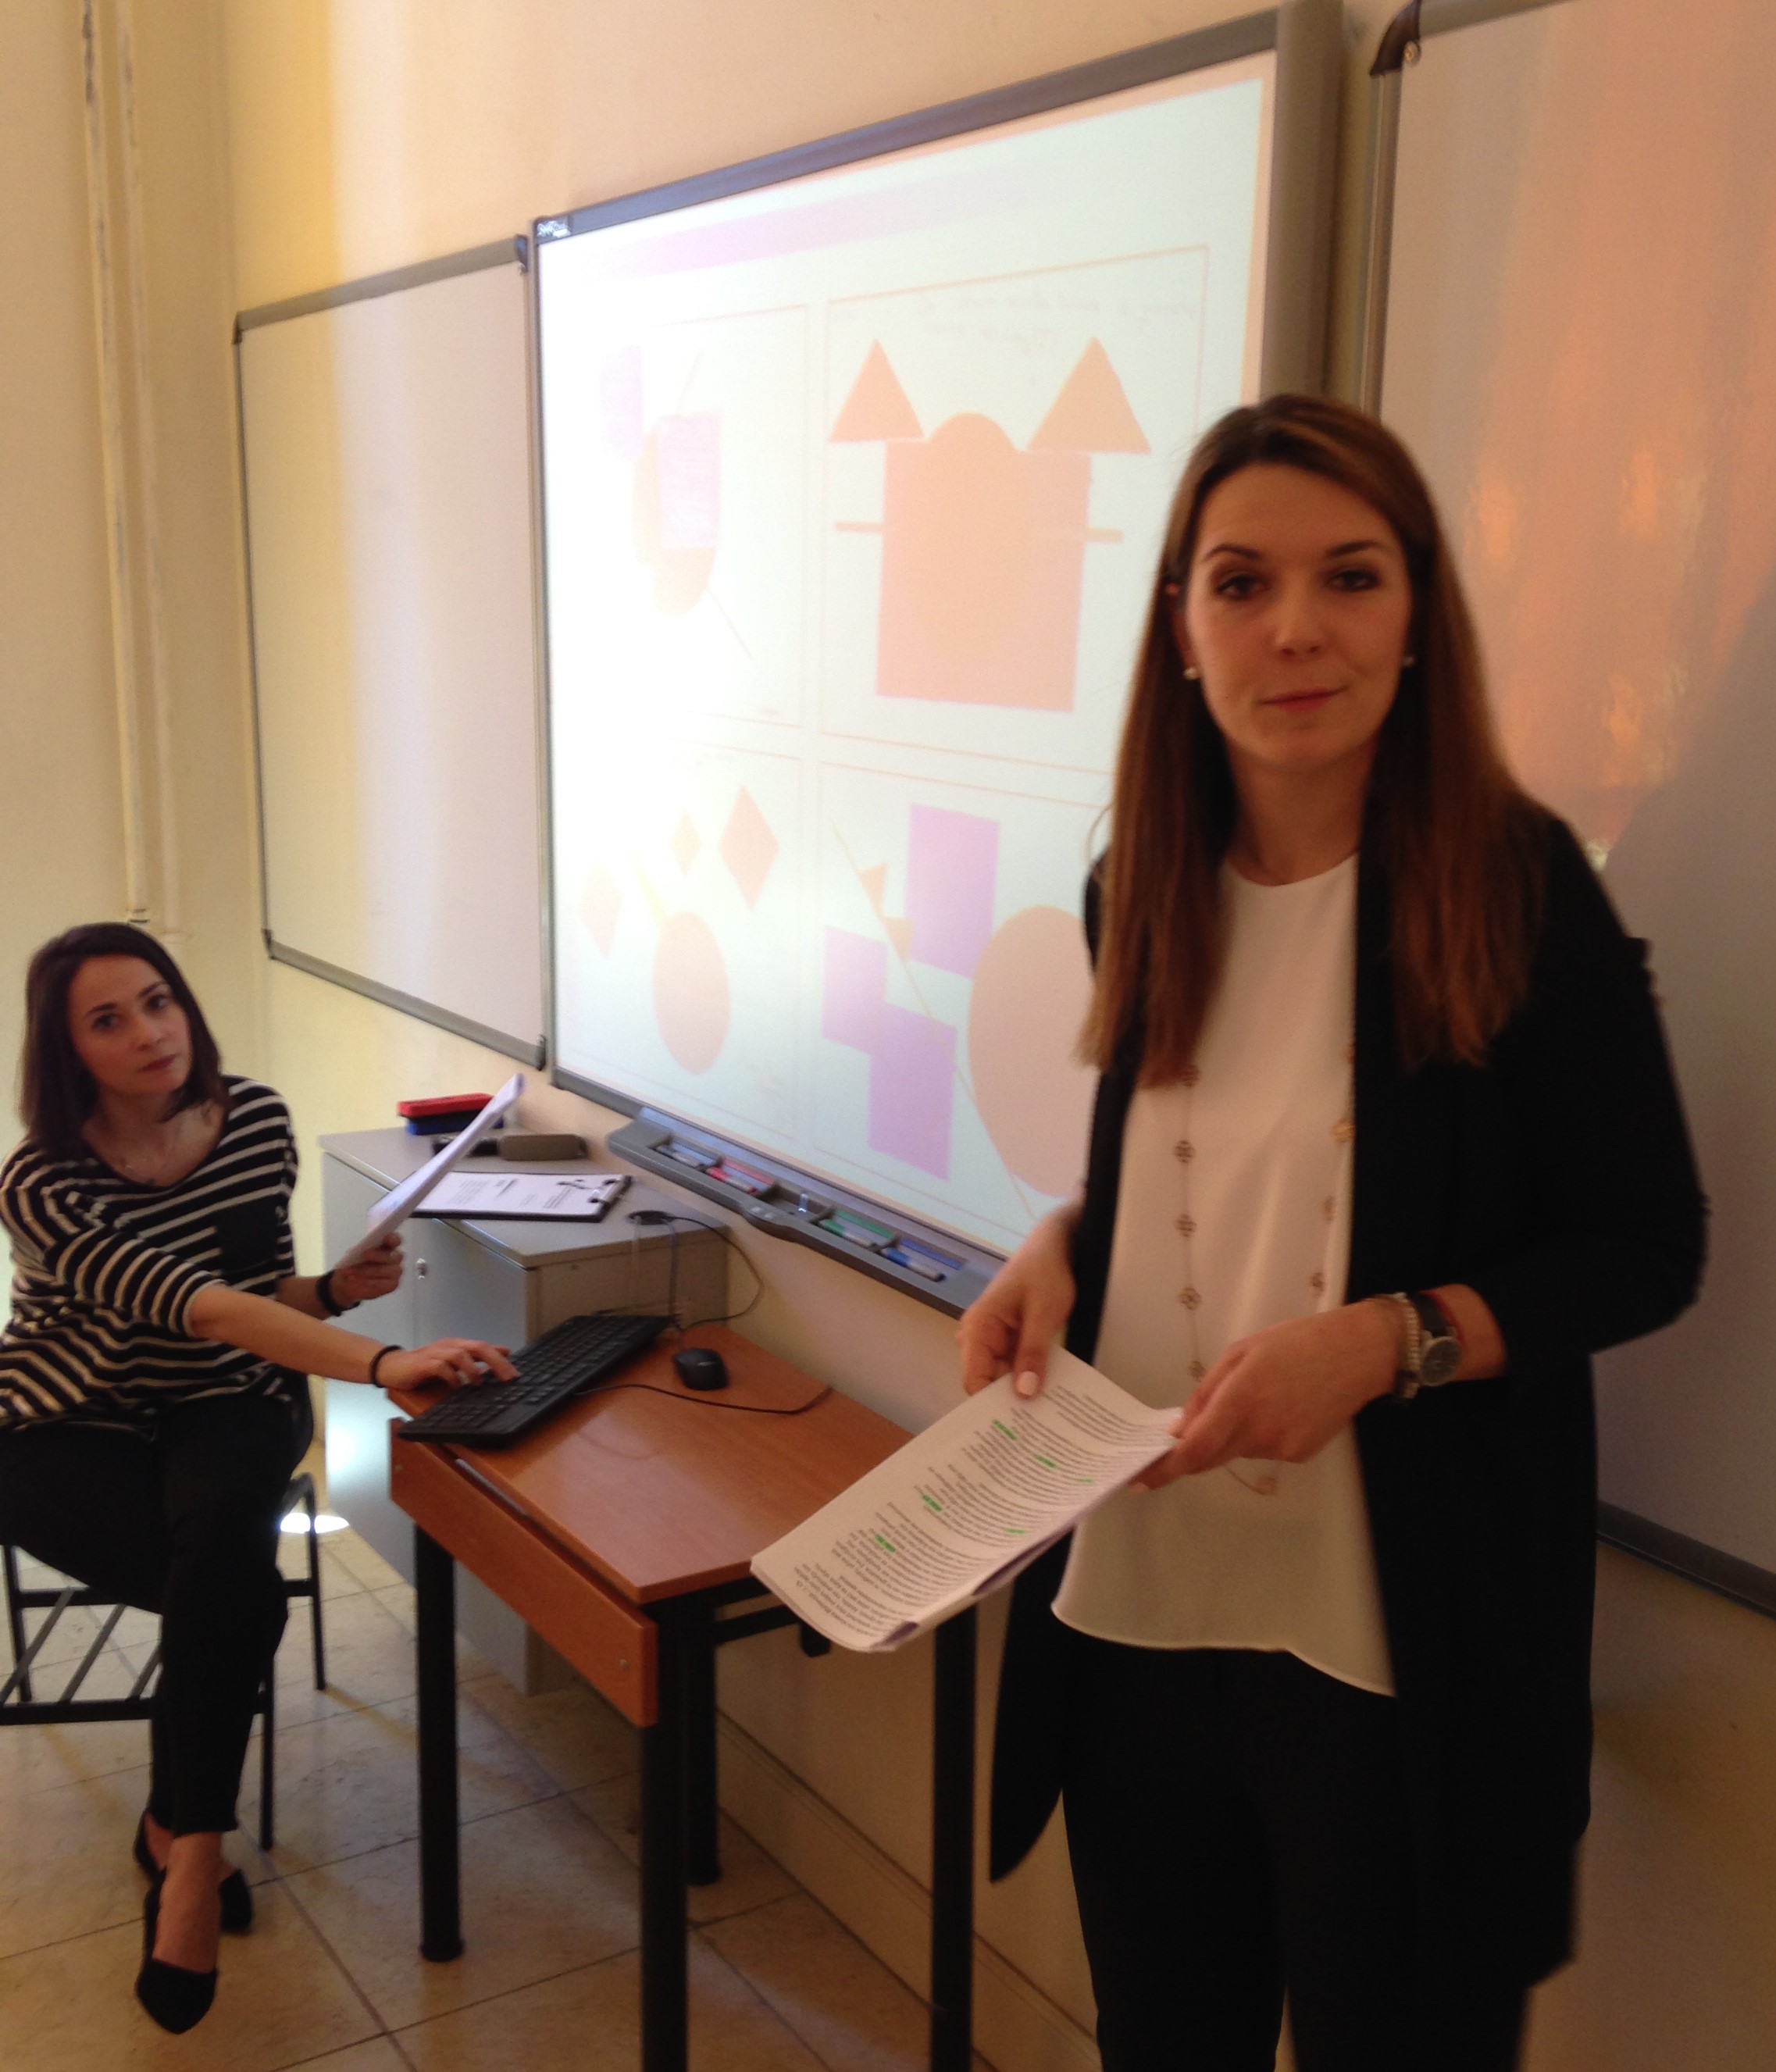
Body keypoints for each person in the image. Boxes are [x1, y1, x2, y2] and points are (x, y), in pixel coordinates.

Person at [958, 395, 1706, 2072]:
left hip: (1397, 1654)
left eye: (1350, 577)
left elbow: (1646, 1244)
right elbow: (1204, 1162)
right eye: (1242, 582)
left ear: (1416, 611)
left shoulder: (1517, 890)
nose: (1295, 626)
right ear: (1182, 626)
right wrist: (1064, 1240)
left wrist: (1389, 1342)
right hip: (1140, 1612)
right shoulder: (1140, 881)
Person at [0, 922, 517, 2035]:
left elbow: (249, 1292)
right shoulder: (40, 1181)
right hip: (68, 1411)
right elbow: (195, 1303)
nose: (151, 1032)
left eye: (159, 1000)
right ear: (65, 1049)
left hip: (224, 1391)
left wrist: (329, 1293)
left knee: (221, 1553)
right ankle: (179, 1827)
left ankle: (188, 1850)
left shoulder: (254, 1121)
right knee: (231, 1588)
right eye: (108, 1020)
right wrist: (382, 1361)